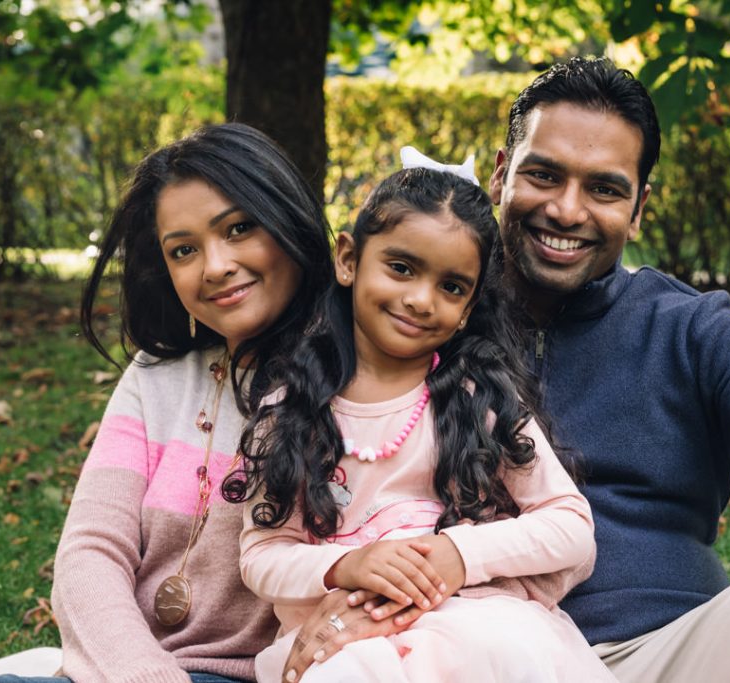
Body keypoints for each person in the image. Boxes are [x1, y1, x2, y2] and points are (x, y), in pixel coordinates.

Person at [283, 58, 730, 682]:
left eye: (603, 188)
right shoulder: (412, 320)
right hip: (457, 647)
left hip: (666, 653)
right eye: (544, 175)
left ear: (640, 206)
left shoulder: (692, 331)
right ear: (502, 174)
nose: (567, 210)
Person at [0, 123, 334, 683]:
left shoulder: (360, 378)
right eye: (183, 250)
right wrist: (141, 672)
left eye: (239, 229)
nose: (214, 266)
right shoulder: (156, 375)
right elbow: (89, 553)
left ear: (289, 222)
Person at [227, 158, 613, 683]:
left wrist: (457, 553)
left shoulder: (480, 402)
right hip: (343, 640)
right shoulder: (291, 412)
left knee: (501, 653)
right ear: (348, 259)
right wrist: (345, 567)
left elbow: (570, 527)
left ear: (469, 306)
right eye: (401, 268)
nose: (420, 299)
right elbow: (261, 553)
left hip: (470, 622)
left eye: (452, 287)